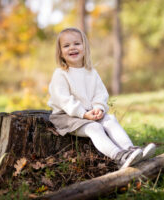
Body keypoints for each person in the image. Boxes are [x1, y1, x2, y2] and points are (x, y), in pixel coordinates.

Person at [47, 27, 156, 169]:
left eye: (77, 44)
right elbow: (63, 99)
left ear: (85, 47)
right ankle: (119, 157)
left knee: (110, 119)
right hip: (67, 117)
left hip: (88, 113)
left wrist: (98, 107)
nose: (72, 48)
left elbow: (100, 93)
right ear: (60, 52)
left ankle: (130, 150)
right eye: (66, 46)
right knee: (94, 128)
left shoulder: (91, 72)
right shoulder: (61, 74)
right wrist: (83, 113)